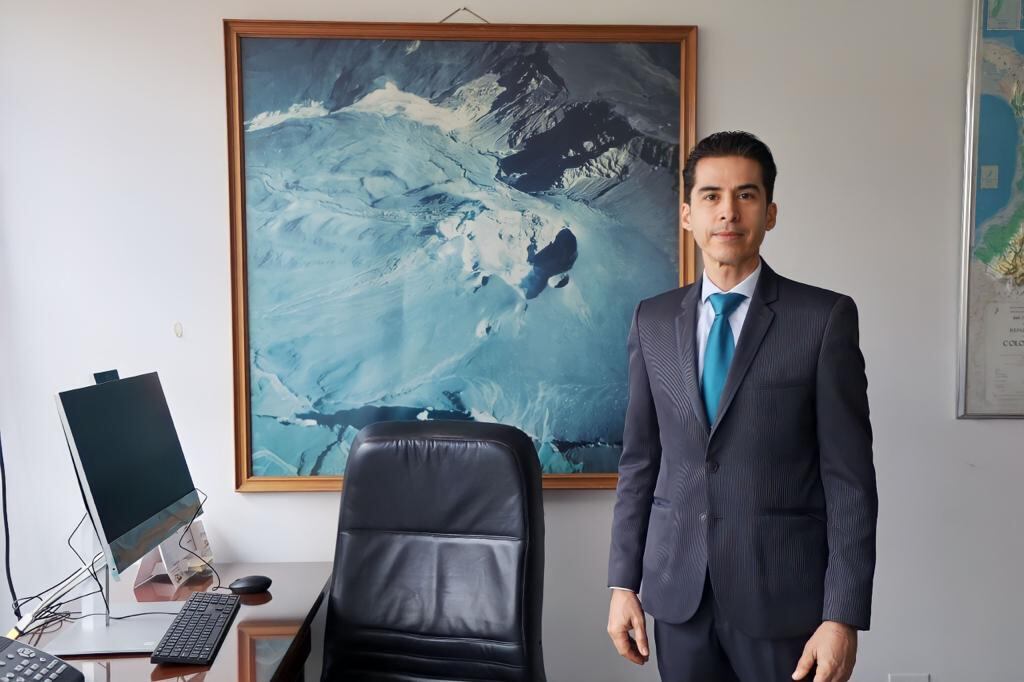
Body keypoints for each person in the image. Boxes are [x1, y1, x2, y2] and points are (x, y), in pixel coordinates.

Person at [606, 131, 877, 682]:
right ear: (687, 214)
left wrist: (842, 615)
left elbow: (849, 481)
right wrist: (622, 584)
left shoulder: (823, 320)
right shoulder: (651, 321)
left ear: (770, 212)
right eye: (710, 196)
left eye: (746, 195)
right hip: (678, 596)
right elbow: (639, 463)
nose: (728, 212)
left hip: (784, 600)